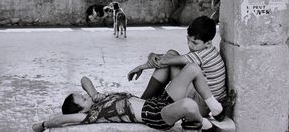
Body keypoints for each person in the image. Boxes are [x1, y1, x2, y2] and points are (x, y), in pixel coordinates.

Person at [32, 70, 224, 132]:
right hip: (154, 115)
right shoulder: (91, 115)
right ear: (81, 111)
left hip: (156, 102)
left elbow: (84, 80)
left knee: (191, 68)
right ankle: (205, 125)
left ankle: (216, 109)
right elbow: (59, 120)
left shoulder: (98, 100)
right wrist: (41, 125)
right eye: (83, 99)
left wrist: (93, 92)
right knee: (189, 105)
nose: (86, 97)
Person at [127, 16, 229, 117]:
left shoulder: (200, 55)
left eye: (194, 43)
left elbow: (164, 62)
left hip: (201, 106)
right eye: (188, 39)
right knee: (172, 53)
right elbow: (170, 59)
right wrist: (152, 55)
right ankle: (147, 102)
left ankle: (143, 102)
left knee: (168, 63)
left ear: (208, 43)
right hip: (203, 100)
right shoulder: (208, 51)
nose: (189, 45)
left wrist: (141, 67)